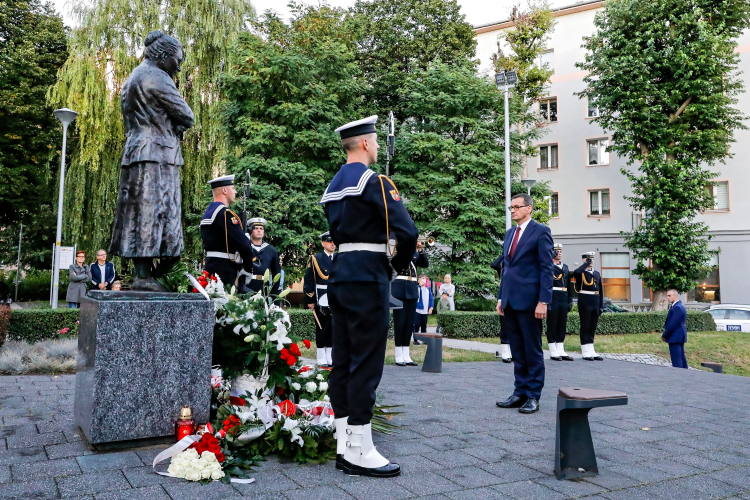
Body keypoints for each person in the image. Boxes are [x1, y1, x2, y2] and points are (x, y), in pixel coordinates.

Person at [321, 115, 417, 477]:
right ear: (364, 143)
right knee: (366, 363)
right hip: (368, 277)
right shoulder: (374, 181)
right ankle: (361, 448)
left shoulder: (334, 185)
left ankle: (346, 442)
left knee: (343, 360)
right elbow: (407, 232)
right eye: (375, 141)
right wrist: (396, 266)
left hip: (340, 276)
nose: (377, 147)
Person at [109, 31, 194, 291]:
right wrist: (174, 126)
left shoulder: (132, 78)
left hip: (136, 150)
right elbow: (187, 116)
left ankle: (144, 274)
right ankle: (146, 277)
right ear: (164, 56)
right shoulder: (159, 77)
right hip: (157, 154)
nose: (179, 65)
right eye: (177, 59)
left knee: (139, 214)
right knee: (155, 213)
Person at [495, 193, 553, 415]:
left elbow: (546, 269)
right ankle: (519, 393)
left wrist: (543, 301)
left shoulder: (541, 231)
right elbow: (506, 269)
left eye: (517, 207)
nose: (513, 211)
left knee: (532, 350)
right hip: (510, 301)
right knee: (517, 350)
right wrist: (502, 297)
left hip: (530, 302)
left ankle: (533, 396)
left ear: (529, 208)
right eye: (511, 208)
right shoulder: (510, 234)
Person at [201, 175, 257, 289]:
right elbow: (244, 244)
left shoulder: (209, 212)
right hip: (224, 270)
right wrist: (248, 268)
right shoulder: (225, 214)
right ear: (224, 190)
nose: (235, 192)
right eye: (233, 188)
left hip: (211, 265)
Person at [392, 241, 428, 366]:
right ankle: (398, 355)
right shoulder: (398, 253)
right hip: (400, 288)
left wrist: (421, 251)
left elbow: (424, 264)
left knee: (409, 323)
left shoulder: (415, 253)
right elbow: (396, 264)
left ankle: (406, 354)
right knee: (400, 322)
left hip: (412, 289)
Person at [304, 231, 336, 368]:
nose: (332, 244)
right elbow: (309, 280)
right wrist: (310, 299)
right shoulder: (315, 259)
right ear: (323, 243)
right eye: (329, 242)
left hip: (336, 297)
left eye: (334, 242)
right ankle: (321, 356)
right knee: (322, 327)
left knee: (333, 327)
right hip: (320, 296)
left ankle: (330, 355)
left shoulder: (339, 258)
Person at [574, 251, 604, 361]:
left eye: (592, 259)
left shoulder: (596, 273)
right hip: (585, 301)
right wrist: (586, 264)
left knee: (592, 327)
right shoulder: (581, 272)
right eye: (588, 259)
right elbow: (576, 272)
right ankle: (585, 350)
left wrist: (601, 305)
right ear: (584, 260)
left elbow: (600, 290)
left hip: (595, 301)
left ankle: (591, 348)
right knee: (585, 326)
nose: (591, 261)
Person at [239, 218, 281, 296]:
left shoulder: (271, 250)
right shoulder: (244, 248)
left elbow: (277, 273)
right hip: (246, 286)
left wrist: (273, 294)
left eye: (261, 228)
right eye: (256, 228)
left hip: (264, 288)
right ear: (251, 230)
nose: (259, 230)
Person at [547, 243, 574, 361]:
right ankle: (552, 349)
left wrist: (569, 300)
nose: (559, 253)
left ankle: (560, 348)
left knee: (562, 324)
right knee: (552, 323)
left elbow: (569, 286)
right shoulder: (548, 266)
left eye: (560, 251)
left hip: (563, 296)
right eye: (556, 251)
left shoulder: (566, 267)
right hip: (553, 296)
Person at [662, 289, 688, 368]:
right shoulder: (680, 306)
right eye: (667, 296)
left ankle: (679, 377)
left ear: (675, 296)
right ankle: (686, 374)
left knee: (676, 360)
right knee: (681, 358)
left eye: (669, 296)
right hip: (679, 336)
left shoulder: (677, 307)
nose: (667, 298)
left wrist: (665, 335)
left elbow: (673, 324)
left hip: (675, 336)